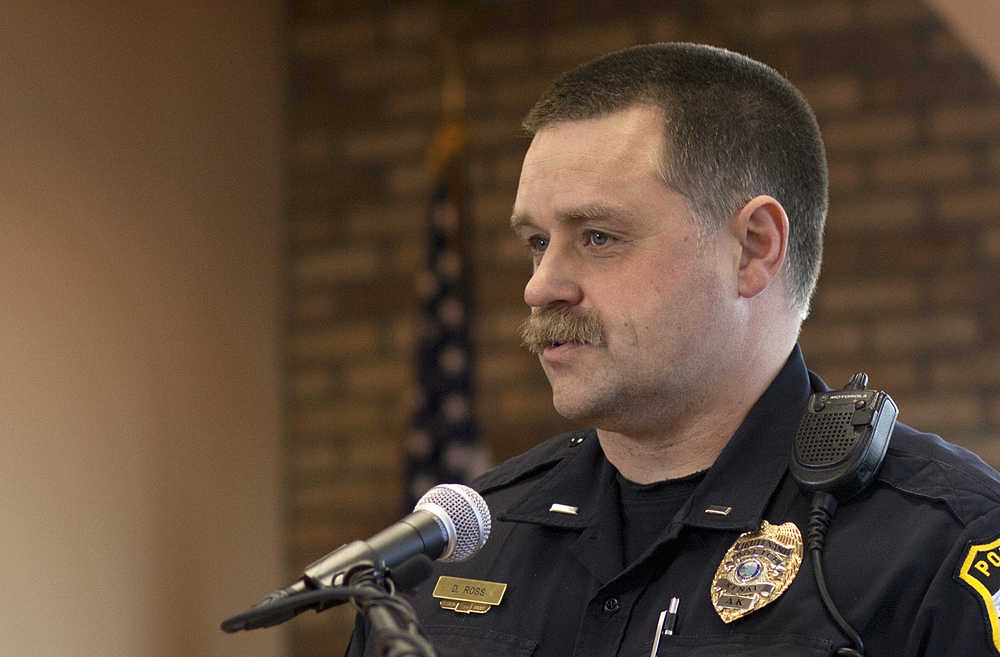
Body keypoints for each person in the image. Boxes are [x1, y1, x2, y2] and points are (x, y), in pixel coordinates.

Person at [347, 43, 1000, 657]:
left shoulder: (939, 546)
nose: (540, 285)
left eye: (598, 236)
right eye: (537, 241)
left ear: (753, 248)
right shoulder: (459, 544)